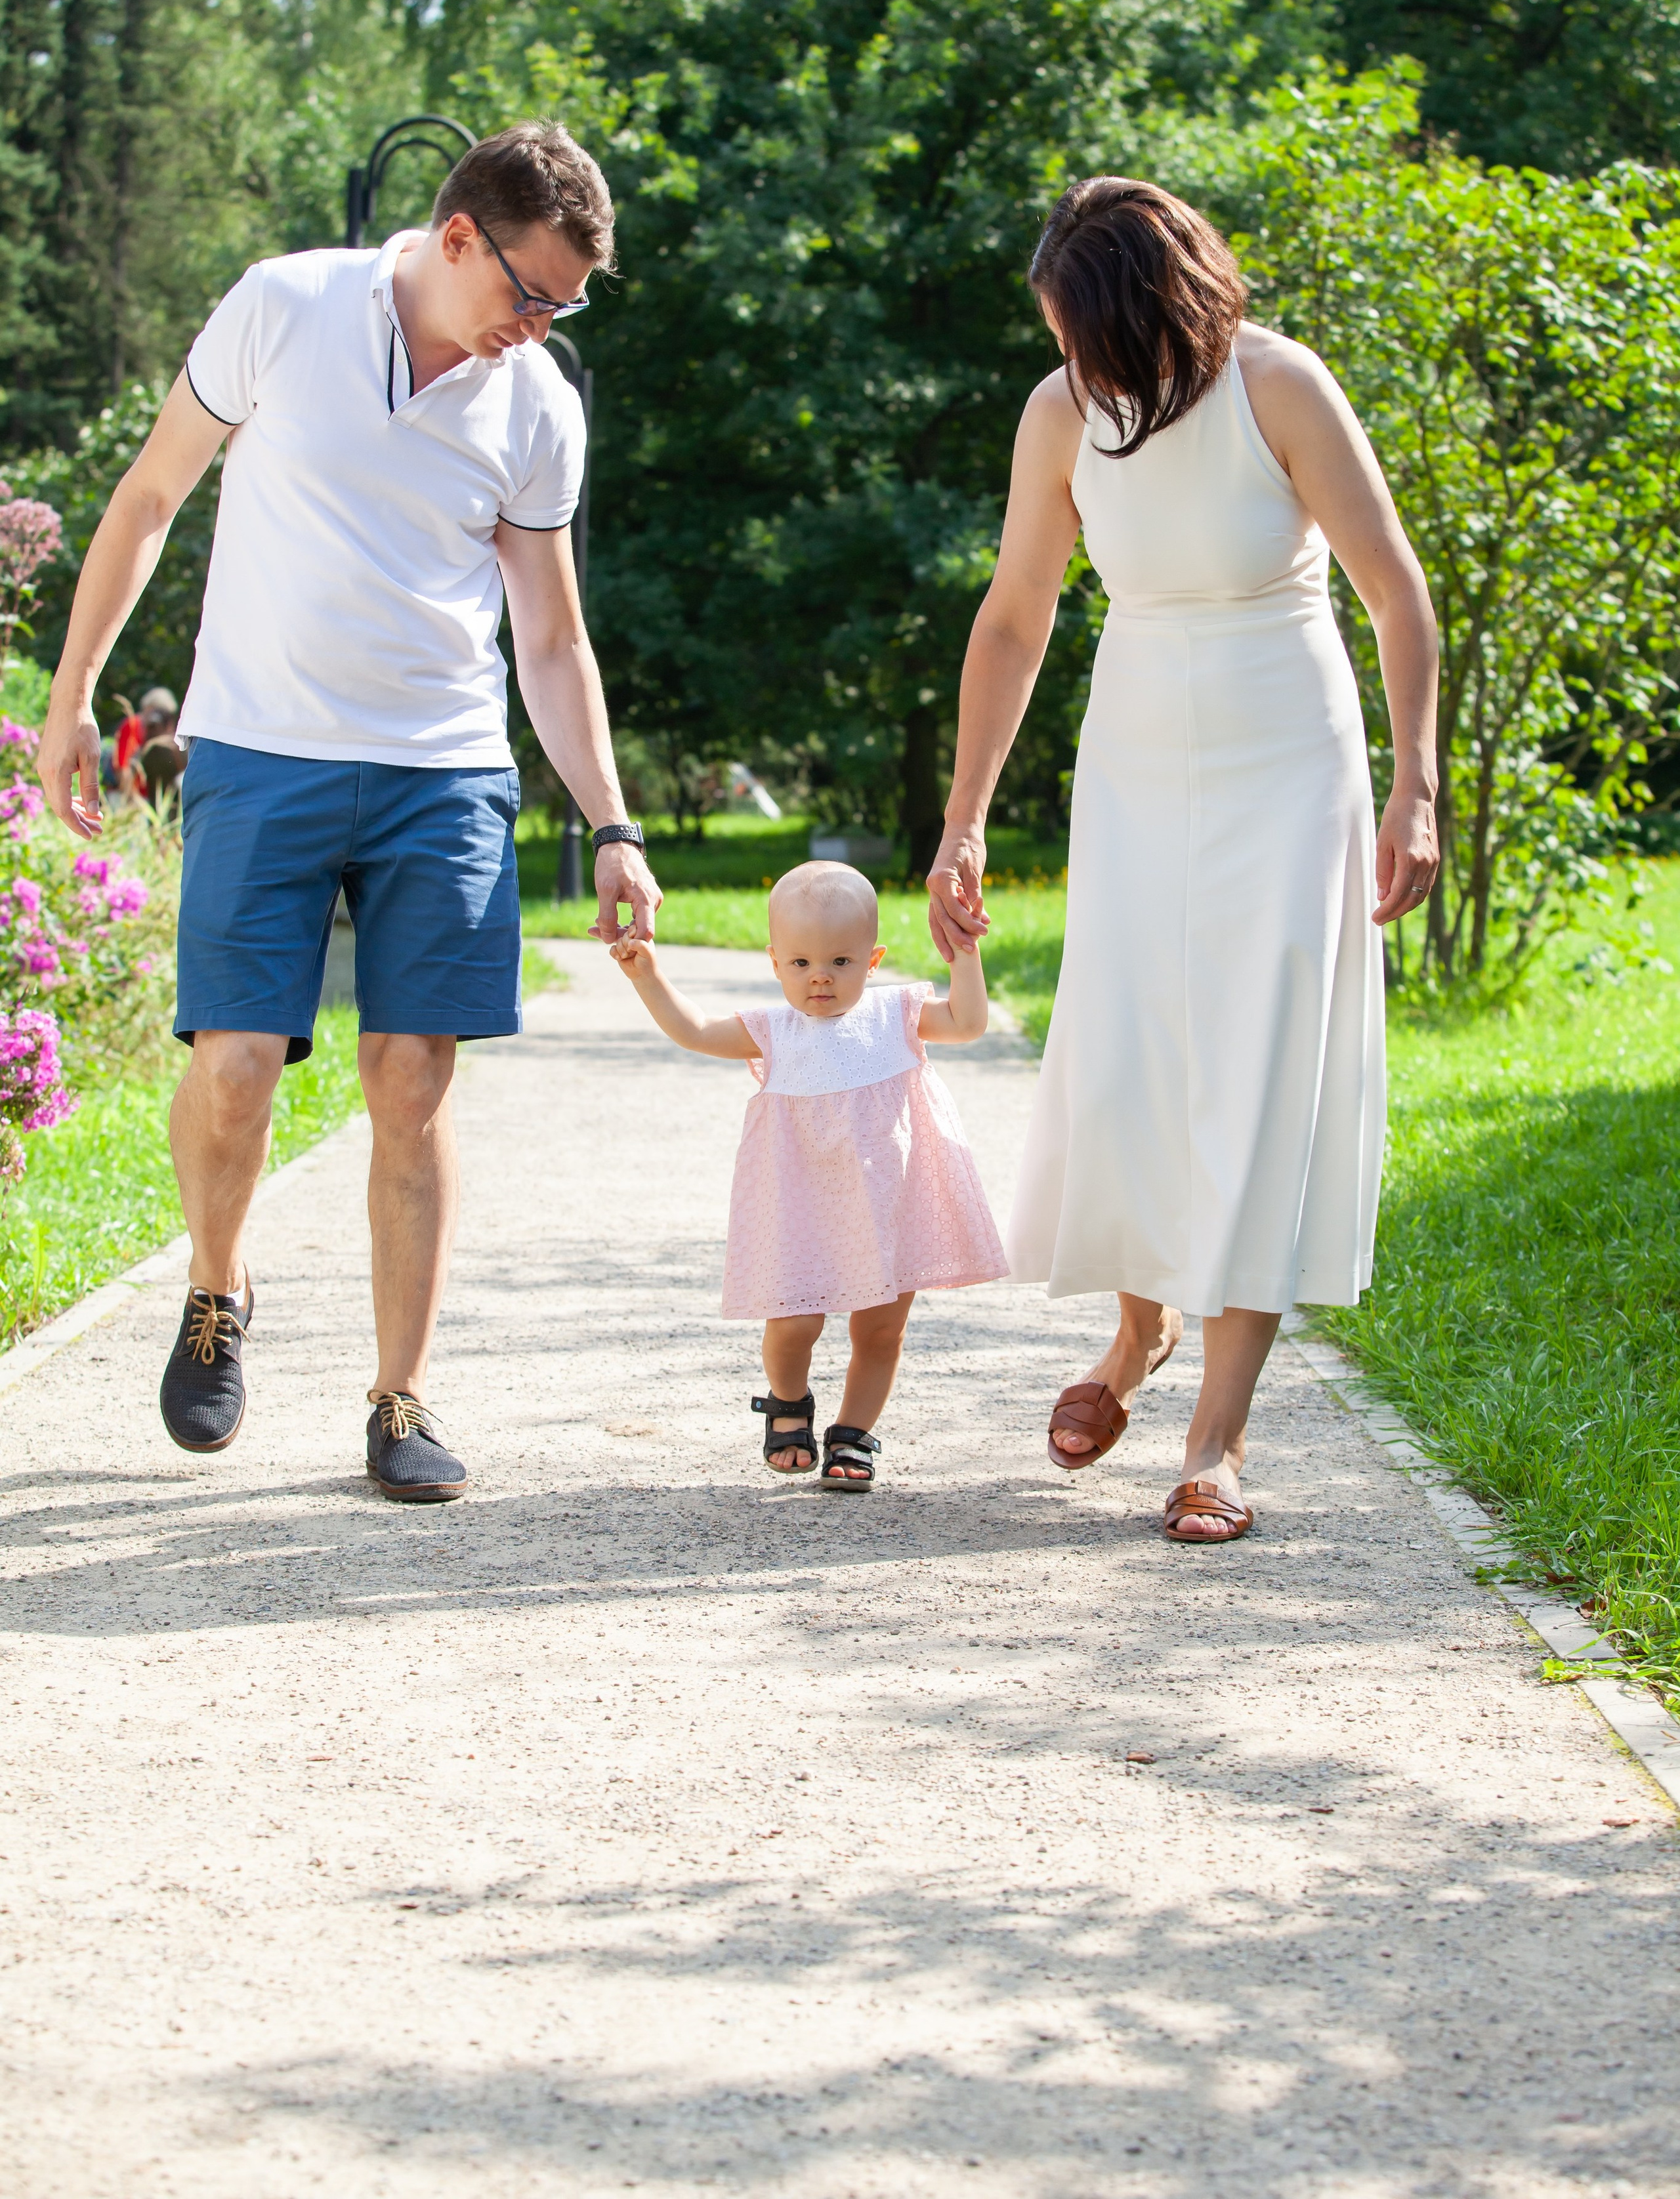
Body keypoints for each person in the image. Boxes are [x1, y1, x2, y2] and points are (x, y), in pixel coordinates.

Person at [37, 121, 661, 1501]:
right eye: (529, 293)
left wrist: (610, 822)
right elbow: (148, 496)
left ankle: (399, 1396)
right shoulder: (287, 306)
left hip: (442, 769)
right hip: (260, 749)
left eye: (566, 305)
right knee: (239, 1063)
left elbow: (551, 643)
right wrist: (71, 692)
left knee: (412, 1079)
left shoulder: (535, 402)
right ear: (455, 240)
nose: (540, 326)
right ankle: (216, 1286)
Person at [927, 178, 1439, 1543]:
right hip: (1139, 752)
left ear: (1149, 310)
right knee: (1139, 1053)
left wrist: (1415, 789)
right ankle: (1132, 1338)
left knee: (1261, 1067)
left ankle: (1216, 1443)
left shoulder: (1278, 389)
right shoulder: (1058, 414)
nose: (1068, 359)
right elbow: (1014, 613)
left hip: (1289, 753)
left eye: (1082, 329)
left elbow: (1392, 586)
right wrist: (963, 815)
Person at [610, 861, 1006, 1489]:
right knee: (795, 1323)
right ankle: (787, 1400)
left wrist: (964, 954)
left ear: (872, 960)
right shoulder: (773, 1031)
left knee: (880, 1328)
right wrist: (647, 975)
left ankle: (853, 1431)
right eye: (800, 964)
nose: (819, 976)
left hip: (886, 1206)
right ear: (775, 962)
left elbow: (968, 1022)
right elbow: (694, 1030)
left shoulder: (896, 1016)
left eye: (840, 963)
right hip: (801, 1208)